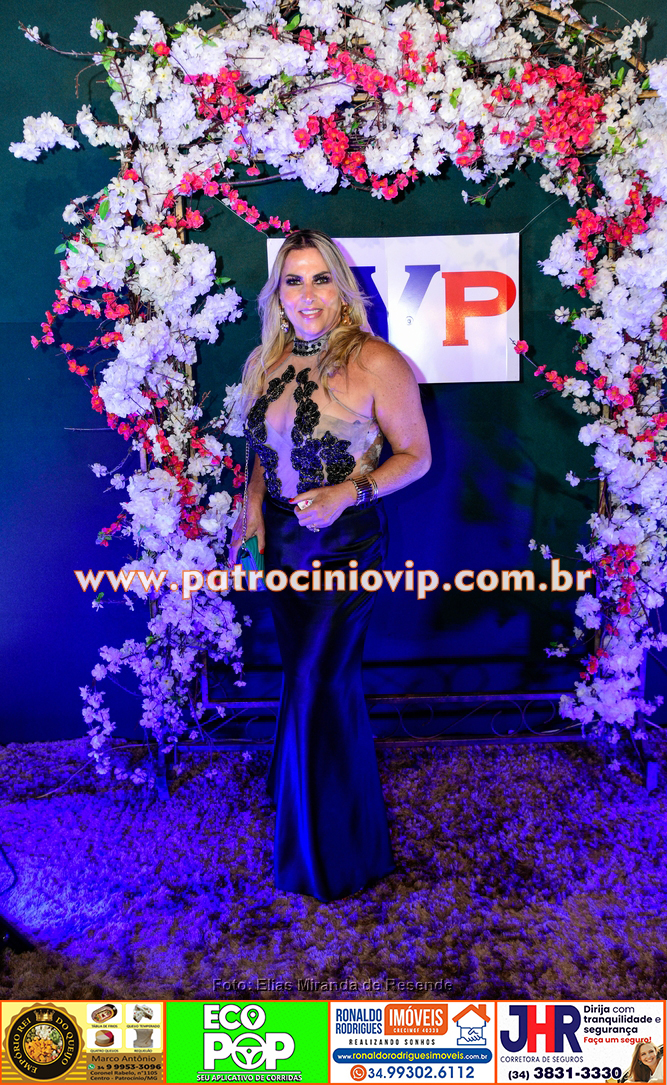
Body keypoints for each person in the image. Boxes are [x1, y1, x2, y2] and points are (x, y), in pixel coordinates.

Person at [229, 228, 431, 902]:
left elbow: (416, 456)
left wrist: (350, 491)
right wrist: (252, 508)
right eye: (294, 280)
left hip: (345, 547)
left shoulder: (377, 360)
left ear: (342, 290)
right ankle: (300, 806)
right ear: (278, 293)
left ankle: (336, 854)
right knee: (304, 678)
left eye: (321, 279)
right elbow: (263, 449)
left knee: (321, 681)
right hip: (284, 546)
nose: (307, 294)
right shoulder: (267, 358)